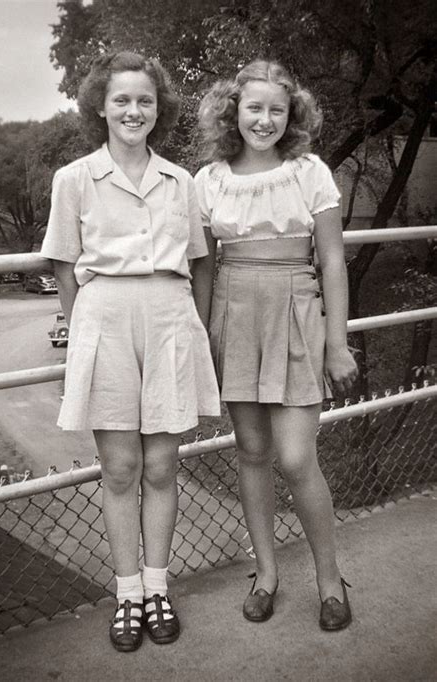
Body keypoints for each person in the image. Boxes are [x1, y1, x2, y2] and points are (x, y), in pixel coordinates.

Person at [41, 51, 220, 653]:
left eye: (145, 100)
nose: (133, 110)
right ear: (100, 105)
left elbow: (200, 262)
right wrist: (87, 334)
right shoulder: (74, 179)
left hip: (169, 319)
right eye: (122, 99)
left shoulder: (181, 180)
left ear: (159, 108)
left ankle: (158, 588)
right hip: (105, 322)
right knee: (120, 470)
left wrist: (191, 323)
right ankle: (126, 597)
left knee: (164, 467)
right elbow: (65, 267)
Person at [194, 59, 358, 630]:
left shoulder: (309, 171)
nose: (264, 120)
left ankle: (330, 579)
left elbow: (333, 260)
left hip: (295, 307)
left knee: (294, 456)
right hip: (234, 314)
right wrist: (201, 339)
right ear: (233, 111)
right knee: (252, 453)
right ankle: (265, 574)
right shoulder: (209, 179)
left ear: (292, 116)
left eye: (276, 110)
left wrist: (337, 342)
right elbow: (204, 270)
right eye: (254, 108)